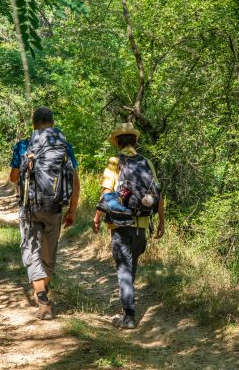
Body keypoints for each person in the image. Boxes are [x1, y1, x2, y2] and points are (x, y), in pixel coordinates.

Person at [9, 107, 80, 320]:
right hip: (55, 207)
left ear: (34, 123)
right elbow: (75, 180)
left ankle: (42, 300)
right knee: (48, 254)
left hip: (29, 207)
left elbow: (13, 178)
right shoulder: (65, 146)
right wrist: (72, 210)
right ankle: (43, 291)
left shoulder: (23, 145)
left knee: (31, 251)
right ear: (52, 122)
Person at [92, 123, 164, 329]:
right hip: (142, 225)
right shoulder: (147, 163)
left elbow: (106, 194)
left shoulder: (115, 162)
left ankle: (129, 316)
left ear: (117, 142)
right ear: (135, 141)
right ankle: (127, 307)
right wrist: (161, 223)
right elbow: (158, 195)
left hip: (120, 225)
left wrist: (96, 218)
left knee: (124, 269)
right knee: (130, 268)